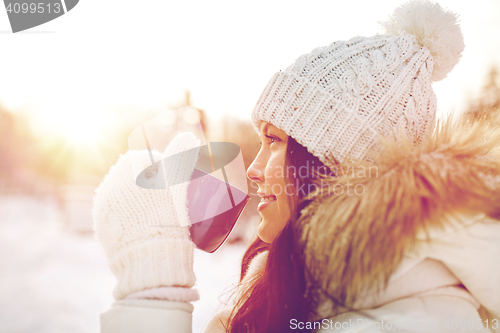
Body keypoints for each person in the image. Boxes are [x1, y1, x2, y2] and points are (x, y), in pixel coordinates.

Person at [93, 0, 500, 332]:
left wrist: (153, 289)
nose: (252, 170)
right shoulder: (307, 291)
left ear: (340, 164)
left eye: (274, 141)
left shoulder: (409, 323)